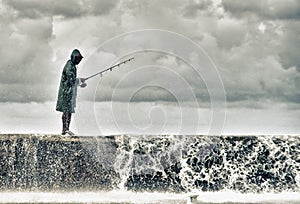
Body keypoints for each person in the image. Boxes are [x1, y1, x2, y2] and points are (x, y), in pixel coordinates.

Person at [56, 49, 87, 135]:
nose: (79, 61)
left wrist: (80, 80)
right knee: (66, 111)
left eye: (80, 59)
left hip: (69, 93)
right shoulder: (69, 66)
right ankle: (65, 129)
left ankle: (66, 129)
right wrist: (80, 82)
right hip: (65, 93)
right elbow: (71, 81)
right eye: (78, 59)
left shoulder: (72, 65)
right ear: (74, 58)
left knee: (68, 111)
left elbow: (73, 80)